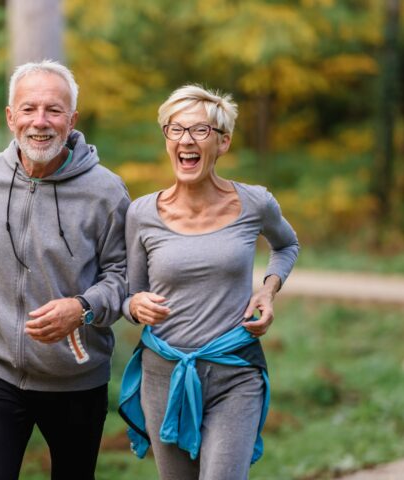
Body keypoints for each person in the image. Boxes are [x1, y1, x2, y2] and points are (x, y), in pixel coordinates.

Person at [0, 60, 130, 480]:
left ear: (72, 119)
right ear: (10, 116)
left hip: (76, 377)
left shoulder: (105, 191)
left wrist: (83, 307)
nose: (40, 122)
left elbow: (123, 277)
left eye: (53, 110)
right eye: (28, 109)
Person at [118, 85, 299, 479]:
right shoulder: (141, 214)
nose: (186, 140)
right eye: (175, 129)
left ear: (223, 142)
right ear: (166, 139)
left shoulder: (255, 203)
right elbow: (129, 295)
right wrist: (134, 306)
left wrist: (267, 291)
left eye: (200, 131)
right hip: (164, 376)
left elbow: (286, 245)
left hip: (235, 371)